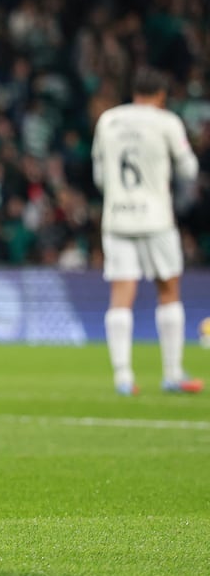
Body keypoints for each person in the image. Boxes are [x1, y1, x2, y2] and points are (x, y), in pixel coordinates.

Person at [92, 66, 202, 396]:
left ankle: (123, 378)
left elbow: (100, 176)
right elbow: (189, 169)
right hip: (156, 218)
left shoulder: (108, 120)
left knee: (121, 295)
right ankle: (171, 373)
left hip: (117, 218)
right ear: (161, 95)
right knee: (168, 289)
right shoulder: (167, 122)